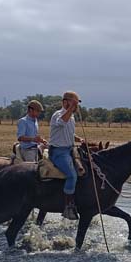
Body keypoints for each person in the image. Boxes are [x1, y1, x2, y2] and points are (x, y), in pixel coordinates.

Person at [49, 91, 85, 220]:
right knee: (71, 175)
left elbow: (68, 133)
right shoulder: (58, 115)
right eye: (73, 102)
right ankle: (67, 207)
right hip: (58, 152)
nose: (76, 106)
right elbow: (62, 122)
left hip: (70, 149)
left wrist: (78, 139)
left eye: (77, 103)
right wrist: (70, 108)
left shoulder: (72, 117)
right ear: (65, 102)